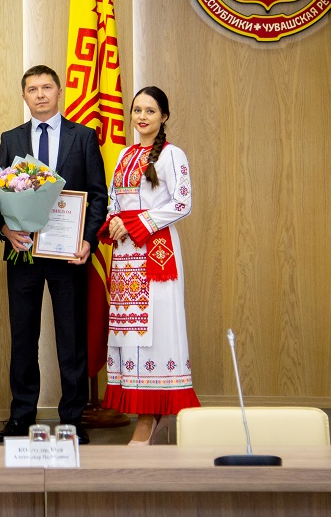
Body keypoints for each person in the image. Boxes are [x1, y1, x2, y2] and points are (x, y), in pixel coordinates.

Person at [0, 65, 107, 445]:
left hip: (68, 255)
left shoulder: (83, 137)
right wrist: (5, 230)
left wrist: (88, 240)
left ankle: (72, 419)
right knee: (23, 337)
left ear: (59, 92)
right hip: (23, 253)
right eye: (32, 89)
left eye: (46, 87)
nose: (40, 94)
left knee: (71, 338)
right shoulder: (10, 139)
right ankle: (21, 417)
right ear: (24, 96)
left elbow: (98, 196)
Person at [98, 86, 200, 444]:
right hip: (126, 254)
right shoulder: (124, 154)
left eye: (150, 111)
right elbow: (113, 199)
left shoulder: (172, 155)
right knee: (129, 332)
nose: (142, 117)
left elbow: (182, 203)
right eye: (137, 110)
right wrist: (114, 220)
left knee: (157, 330)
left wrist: (136, 222)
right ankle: (145, 412)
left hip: (156, 253)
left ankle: (151, 414)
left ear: (164, 116)